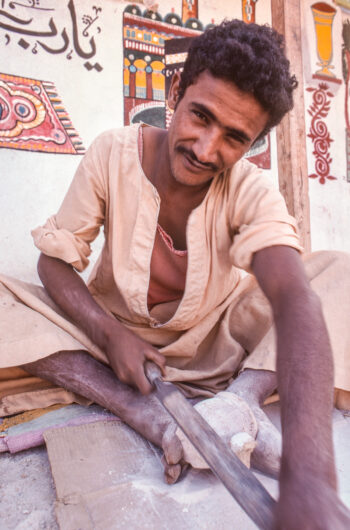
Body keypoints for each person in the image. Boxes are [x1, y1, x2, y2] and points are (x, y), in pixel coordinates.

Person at [1, 19, 350, 528]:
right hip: (115, 346)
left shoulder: (250, 190)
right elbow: (54, 261)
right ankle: (135, 407)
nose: (207, 149)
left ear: (252, 143)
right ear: (177, 90)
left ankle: (239, 404)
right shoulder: (111, 153)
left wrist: (312, 479)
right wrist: (110, 332)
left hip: (218, 346)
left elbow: (294, 300)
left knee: (339, 274)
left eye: (234, 137)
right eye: (200, 117)